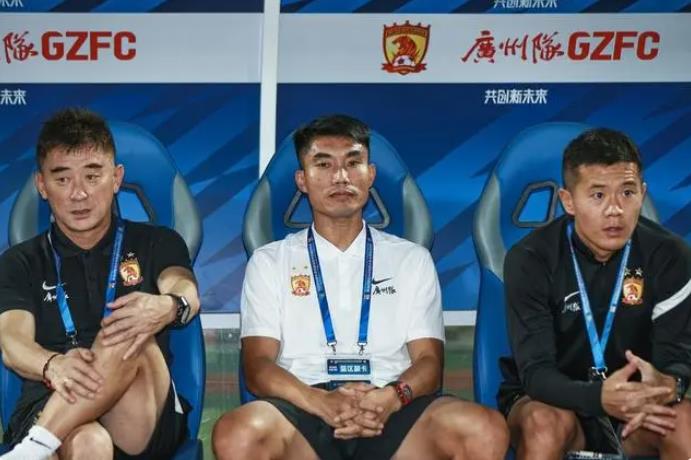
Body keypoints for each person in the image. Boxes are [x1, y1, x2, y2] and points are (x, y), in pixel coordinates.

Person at [212, 114, 509, 460]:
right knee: (236, 433)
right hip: (304, 406)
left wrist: (391, 397)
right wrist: (322, 402)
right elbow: (258, 366)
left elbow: (429, 362)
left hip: (389, 405)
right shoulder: (270, 261)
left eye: (353, 163)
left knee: (485, 428)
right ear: (302, 180)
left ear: (370, 175)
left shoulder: (411, 259)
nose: (340, 176)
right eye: (323, 164)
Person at [0, 108, 200, 459]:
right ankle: (39, 443)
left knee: (129, 330)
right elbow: (12, 342)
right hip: (53, 397)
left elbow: (185, 290)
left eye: (92, 177)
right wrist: (53, 364)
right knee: (90, 443)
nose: (79, 194)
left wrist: (169, 305)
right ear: (42, 185)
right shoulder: (20, 261)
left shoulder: (158, 242)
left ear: (117, 178)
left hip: (139, 410)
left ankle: (33, 448)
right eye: (63, 179)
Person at [499, 128, 691, 459]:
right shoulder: (530, 258)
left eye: (627, 193)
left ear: (643, 194)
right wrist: (598, 397)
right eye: (598, 195)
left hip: (634, 408)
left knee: (683, 421)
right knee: (543, 424)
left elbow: (678, 359)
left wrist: (669, 384)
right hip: (553, 402)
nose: (615, 209)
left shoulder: (670, 255)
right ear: (568, 201)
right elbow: (536, 373)